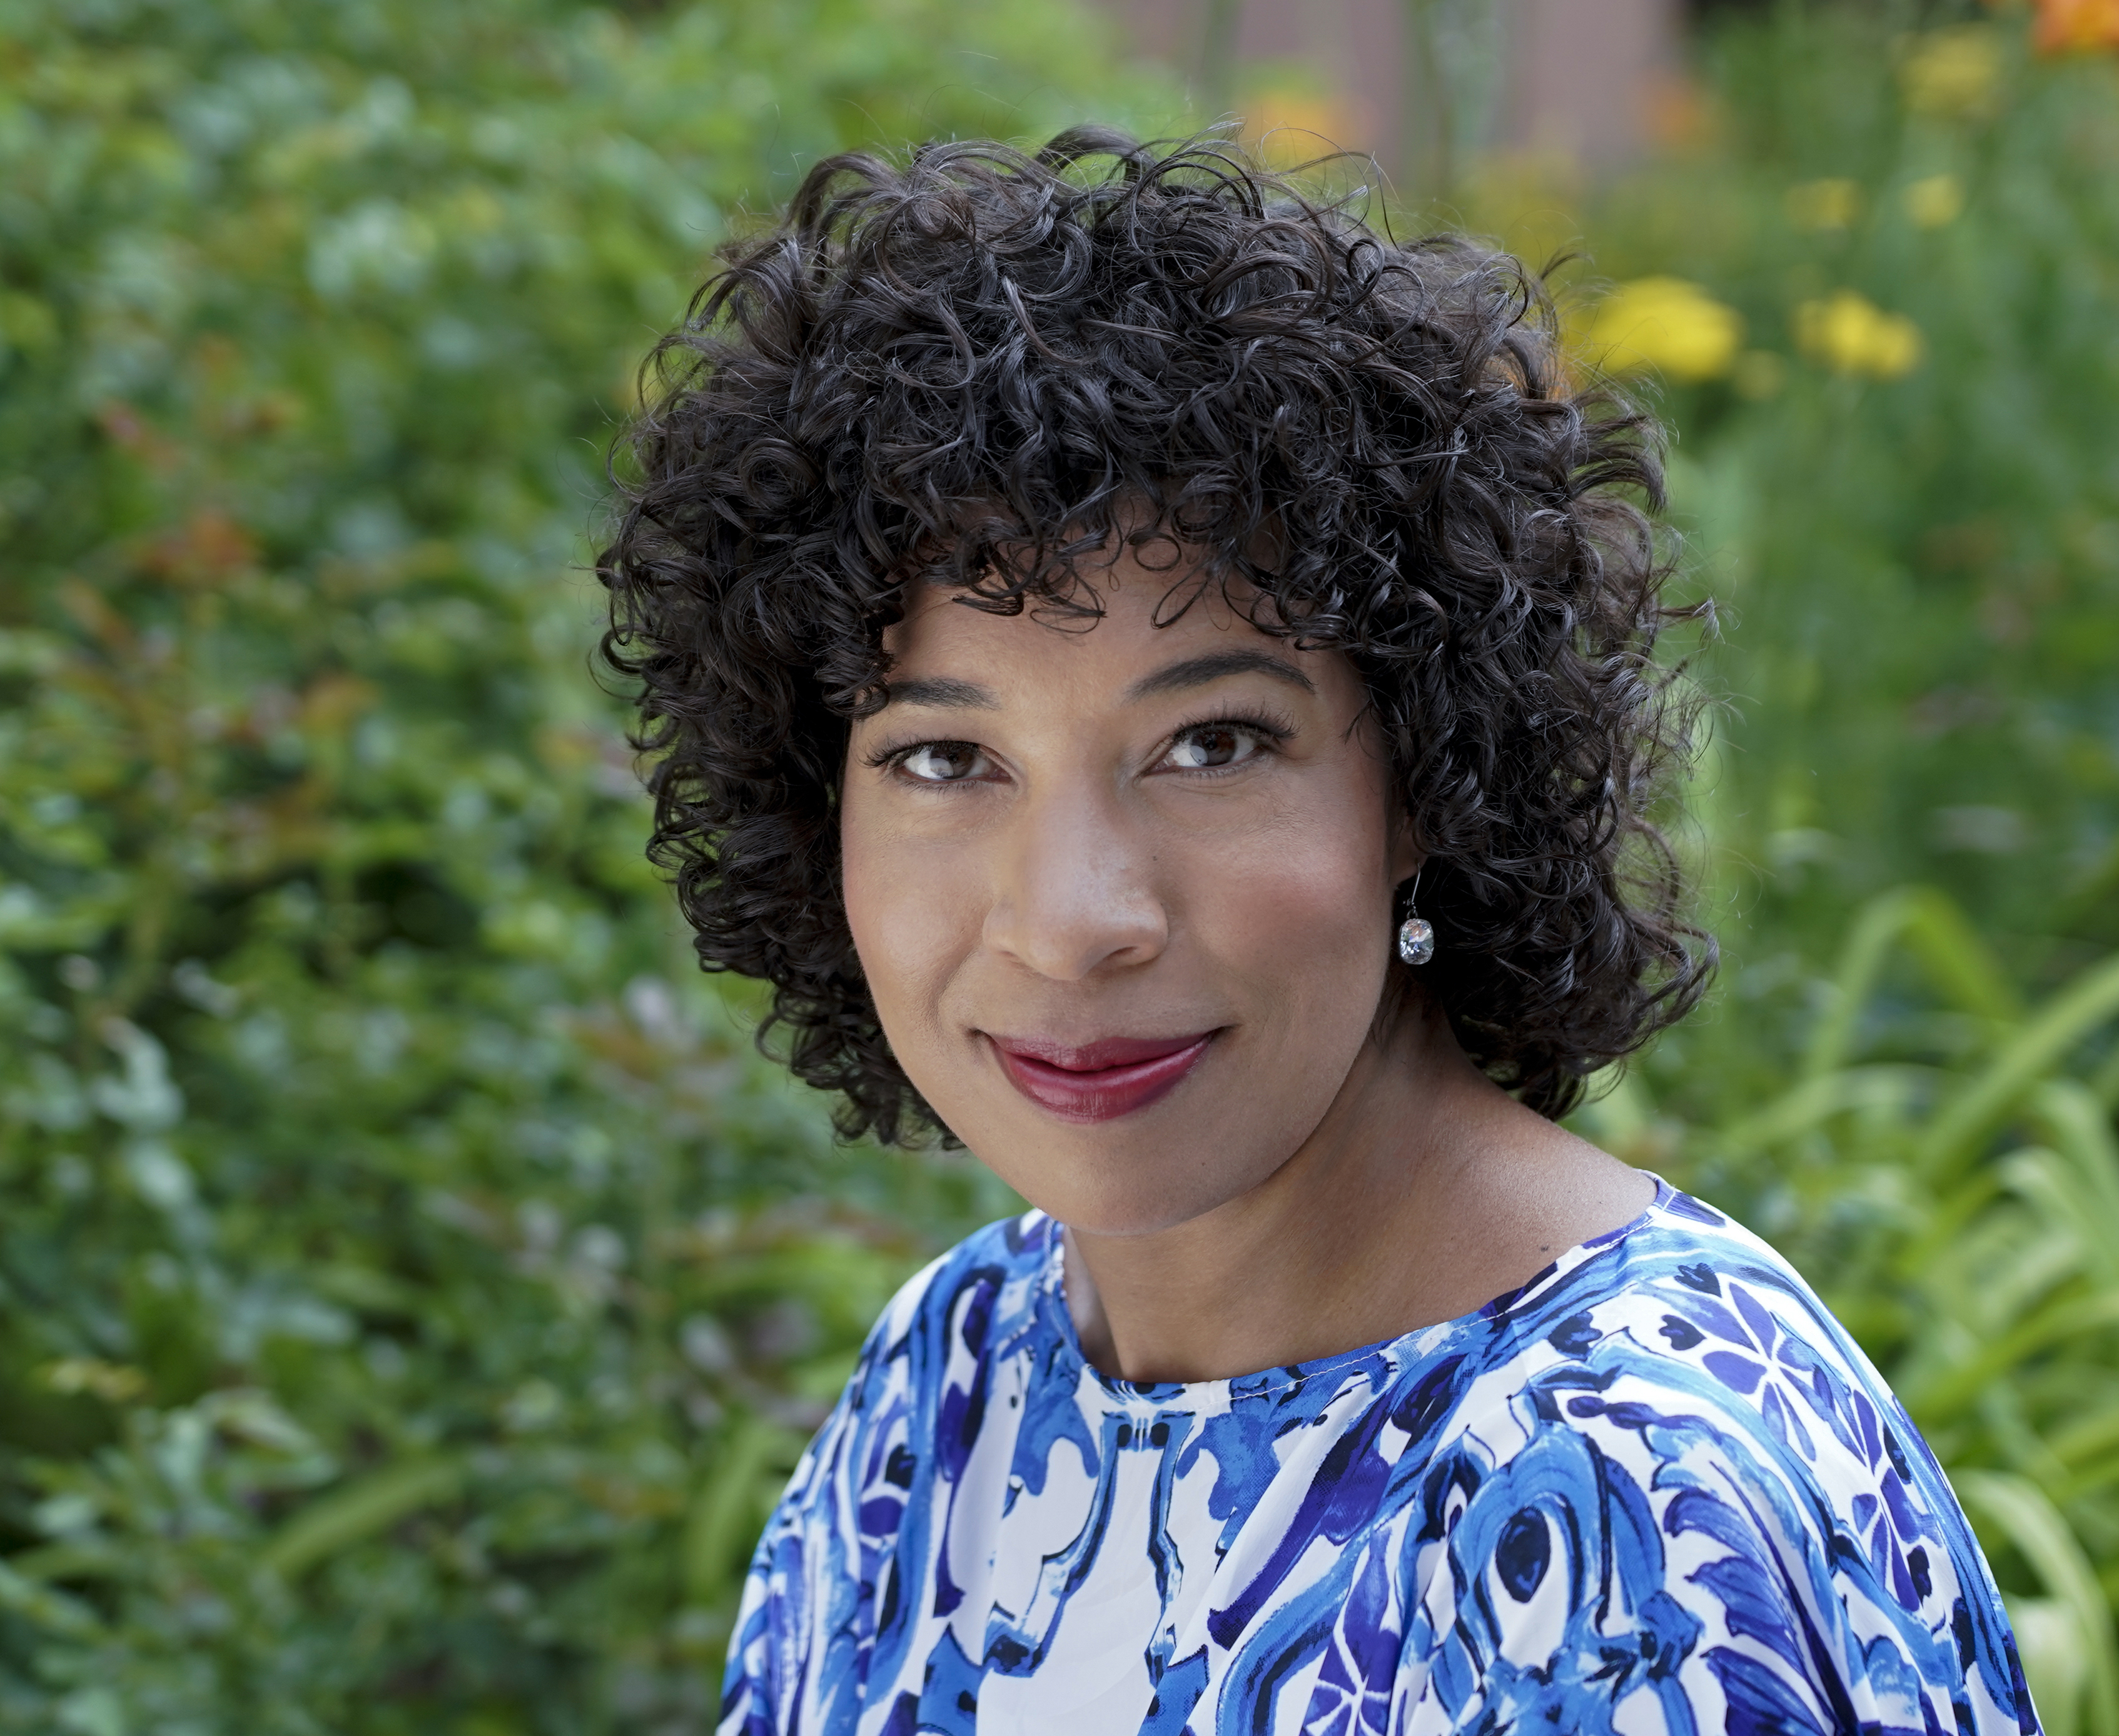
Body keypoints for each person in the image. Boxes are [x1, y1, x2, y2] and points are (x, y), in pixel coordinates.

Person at [599, 132, 2038, 1736]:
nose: (1075, 922)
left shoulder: (1623, 1489)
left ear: (1424, 773)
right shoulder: (957, 1381)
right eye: (946, 759)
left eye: (1212, 745)